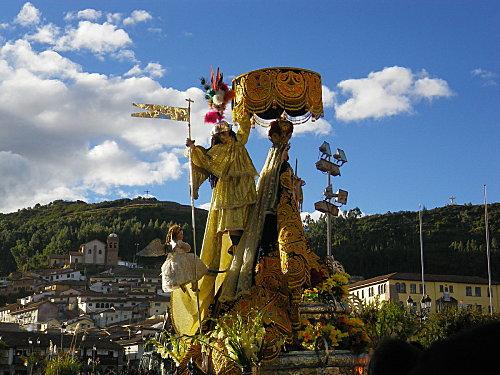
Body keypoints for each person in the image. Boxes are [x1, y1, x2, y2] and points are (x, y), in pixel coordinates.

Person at [170, 116, 258, 335]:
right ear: (217, 136)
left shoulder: (239, 145)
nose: (225, 135)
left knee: (244, 215)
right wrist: (193, 149)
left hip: (243, 188)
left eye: (228, 132)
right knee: (229, 217)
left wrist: (244, 115)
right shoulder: (216, 152)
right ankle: (236, 244)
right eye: (222, 133)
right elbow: (205, 161)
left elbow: (245, 130)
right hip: (226, 191)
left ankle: (241, 243)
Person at [161, 224, 208, 293]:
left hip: (181, 258)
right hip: (178, 260)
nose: (182, 236)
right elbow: (183, 248)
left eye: (182, 234)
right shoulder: (175, 243)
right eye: (180, 234)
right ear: (175, 235)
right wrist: (178, 244)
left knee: (191, 271)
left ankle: (191, 285)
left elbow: (187, 248)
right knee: (187, 271)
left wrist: (181, 245)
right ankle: (185, 284)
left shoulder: (177, 243)